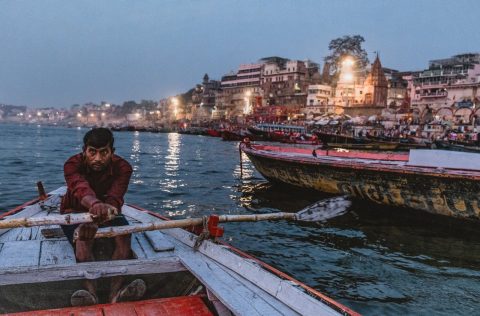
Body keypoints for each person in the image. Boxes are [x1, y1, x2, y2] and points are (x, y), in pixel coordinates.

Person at [60, 128, 145, 306]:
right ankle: (90, 293)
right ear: (85, 151)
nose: (98, 158)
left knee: (124, 235)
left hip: (109, 212)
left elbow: (115, 197)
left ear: (112, 152)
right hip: (74, 212)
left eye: (104, 152)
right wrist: (94, 205)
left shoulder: (123, 168)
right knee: (83, 237)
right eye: (92, 152)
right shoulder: (72, 164)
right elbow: (79, 187)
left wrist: (102, 213)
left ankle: (115, 293)